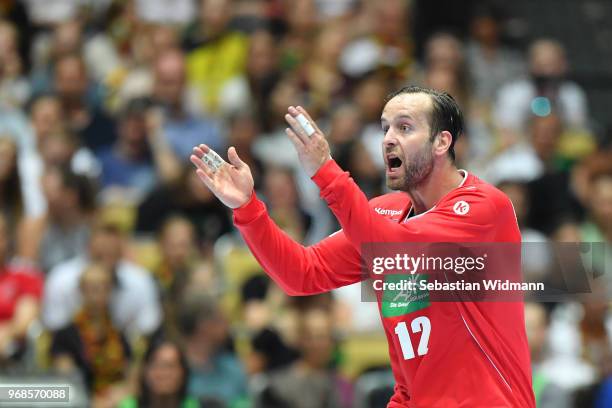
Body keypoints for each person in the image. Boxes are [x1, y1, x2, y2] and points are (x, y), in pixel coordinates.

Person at [190, 85, 535, 406]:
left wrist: (325, 171)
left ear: (441, 142)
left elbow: (393, 248)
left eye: (404, 128)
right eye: (384, 128)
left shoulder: (484, 208)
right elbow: (300, 274)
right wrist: (248, 209)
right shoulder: (382, 215)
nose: (387, 139)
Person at [118, 339, 202, 408]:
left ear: (183, 372)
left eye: (170, 366)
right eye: (156, 366)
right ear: (145, 371)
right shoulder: (128, 406)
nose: (162, 374)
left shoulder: (196, 405)